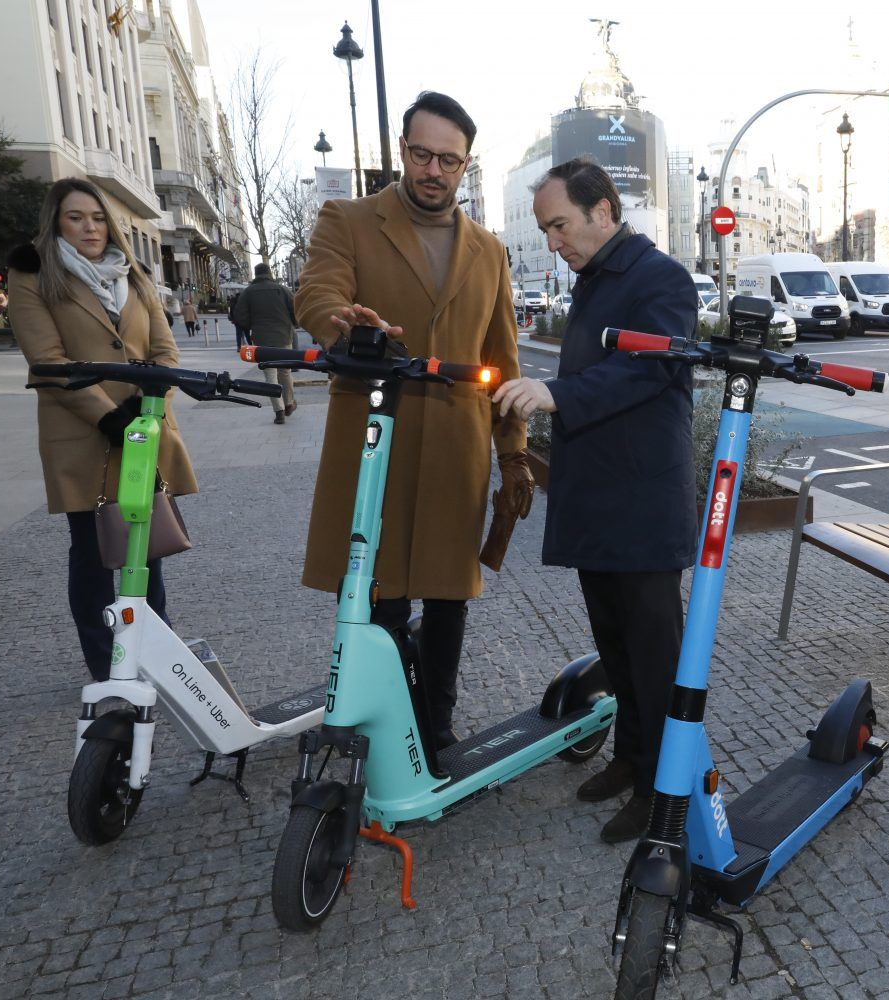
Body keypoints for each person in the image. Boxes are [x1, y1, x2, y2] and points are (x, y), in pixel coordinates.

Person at [294, 91, 529, 754]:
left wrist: (513, 454)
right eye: (422, 154)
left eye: (449, 160)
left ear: (466, 166)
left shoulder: (488, 249)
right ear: (402, 151)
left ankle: (439, 727)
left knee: (450, 597)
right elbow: (319, 290)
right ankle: (385, 722)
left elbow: (501, 357)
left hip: (457, 447)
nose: (433, 170)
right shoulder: (348, 218)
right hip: (374, 439)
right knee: (380, 595)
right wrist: (337, 321)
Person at [494, 157, 696, 844]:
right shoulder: (595, 279)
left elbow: (648, 367)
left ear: (603, 212)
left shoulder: (660, 279)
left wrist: (558, 394)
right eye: (547, 227)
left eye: (559, 225)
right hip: (601, 501)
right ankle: (631, 760)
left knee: (654, 655)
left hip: (640, 504)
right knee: (615, 644)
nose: (552, 240)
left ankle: (665, 793)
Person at [6, 178, 198, 682]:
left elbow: (164, 350)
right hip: (84, 435)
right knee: (92, 555)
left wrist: (150, 404)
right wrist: (108, 415)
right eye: (76, 217)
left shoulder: (131, 271)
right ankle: (104, 664)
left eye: (96, 217)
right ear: (56, 222)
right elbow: (48, 363)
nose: (89, 228)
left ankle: (155, 654)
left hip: (144, 428)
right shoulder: (34, 276)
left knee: (148, 548)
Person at [231, 263, 299, 424]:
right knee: (285, 372)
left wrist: (252, 325)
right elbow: (296, 309)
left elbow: (239, 316)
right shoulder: (282, 290)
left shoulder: (248, 292)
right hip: (283, 337)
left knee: (270, 376)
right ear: (269, 273)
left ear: (255, 274)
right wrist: (293, 324)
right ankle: (289, 403)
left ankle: (279, 411)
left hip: (261, 340)